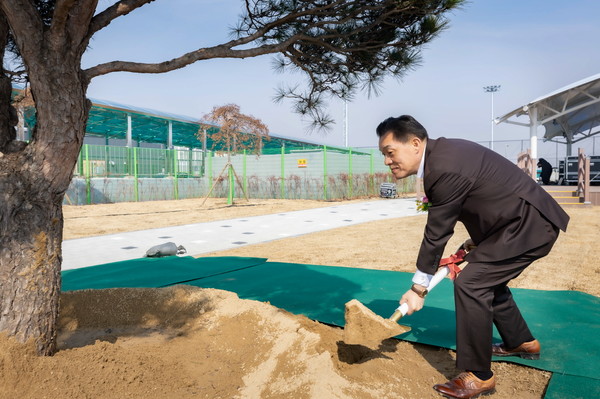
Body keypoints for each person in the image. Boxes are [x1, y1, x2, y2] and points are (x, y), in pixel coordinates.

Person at [376, 115, 569, 399]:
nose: (387, 161)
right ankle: (522, 342)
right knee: (487, 280)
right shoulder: (444, 156)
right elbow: (483, 197)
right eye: (383, 154)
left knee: (471, 283)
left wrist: (418, 288)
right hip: (515, 225)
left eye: (390, 152)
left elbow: (438, 231)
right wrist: (478, 241)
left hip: (527, 227)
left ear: (415, 143)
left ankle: (478, 376)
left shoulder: (442, 166)